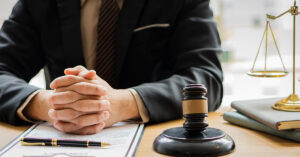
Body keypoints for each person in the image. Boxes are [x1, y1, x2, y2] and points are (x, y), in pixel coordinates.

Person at [0, 0, 223, 135]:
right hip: (62, 141)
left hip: (153, 142)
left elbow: (206, 77)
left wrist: (125, 103)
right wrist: (50, 105)